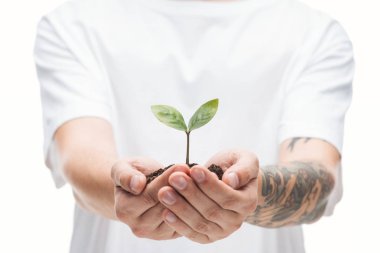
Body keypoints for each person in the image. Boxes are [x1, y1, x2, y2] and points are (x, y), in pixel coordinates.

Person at [33, 0, 354, 252]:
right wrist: (128, 187)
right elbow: (78, 155)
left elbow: (318, 177)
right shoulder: (74, 24)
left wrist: (251, 194)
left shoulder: (311, 33)